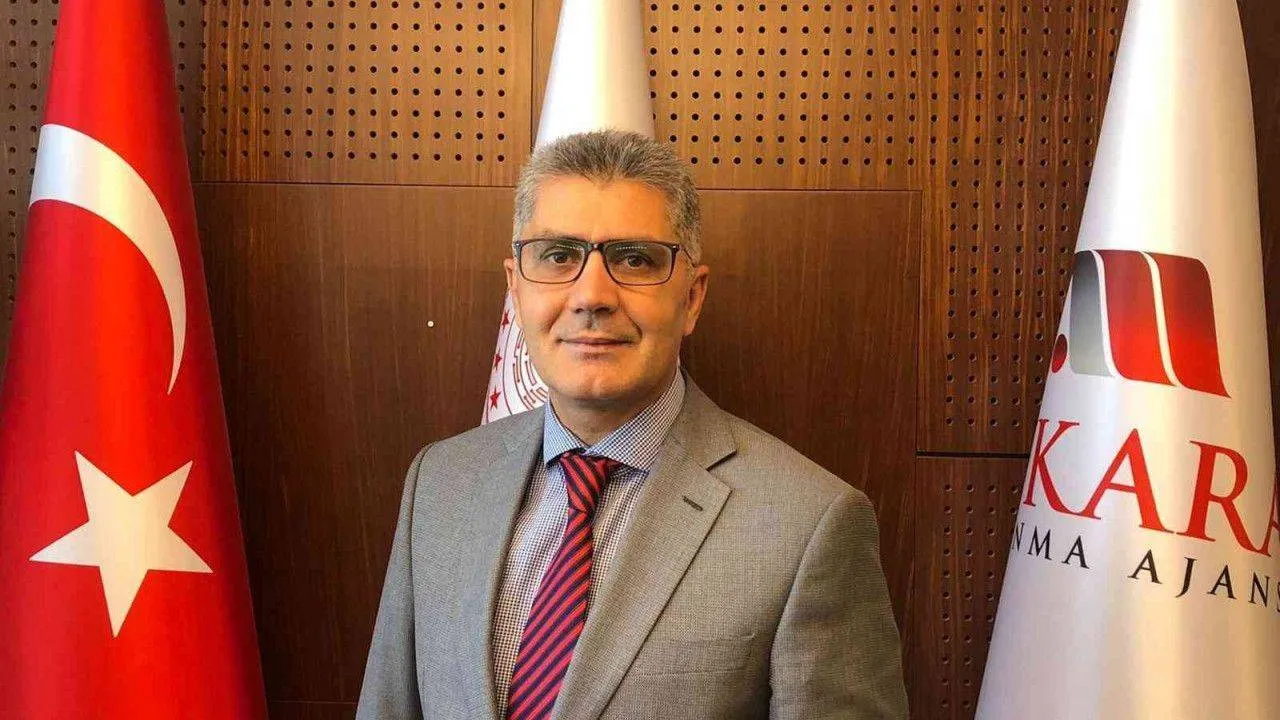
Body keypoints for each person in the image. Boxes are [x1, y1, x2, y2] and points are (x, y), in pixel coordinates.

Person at [356, 129, 908, 720]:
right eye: (558, 256)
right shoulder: (439, 484)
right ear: (515, 287)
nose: (591, 296)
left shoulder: (810, 524)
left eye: (634, 259)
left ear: (692, 298)